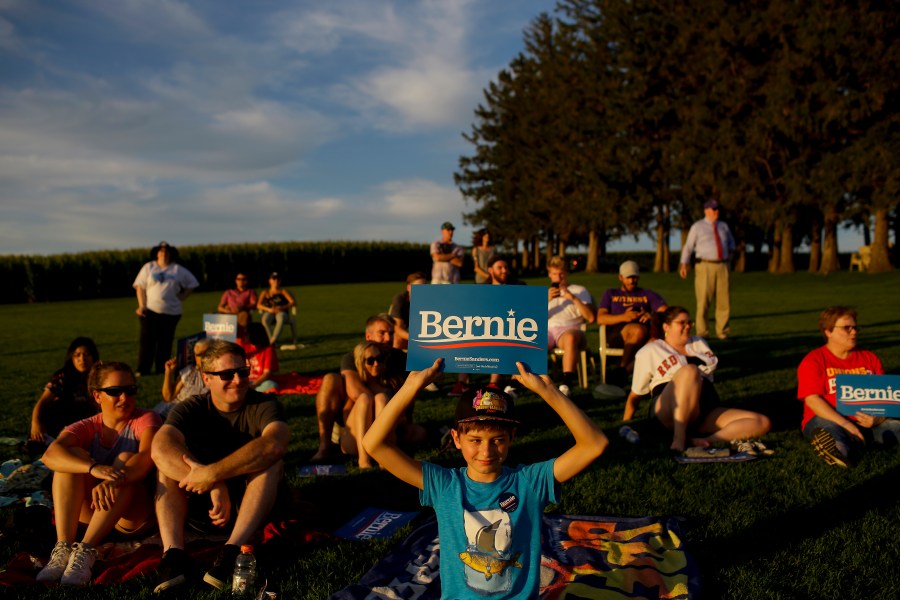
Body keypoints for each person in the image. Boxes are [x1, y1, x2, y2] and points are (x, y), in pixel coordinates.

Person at [363, 359, 608, 598]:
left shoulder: (530, 483)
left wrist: (549, 391)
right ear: (456, 439)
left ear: (512, 437)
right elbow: (374, 444)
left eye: (498, 440)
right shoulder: (444, 485)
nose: (486, 451)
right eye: (475, 440)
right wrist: (411, 386)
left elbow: (595, 444)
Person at [150, 339, 290, 593]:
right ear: (207, 379)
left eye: (243, 372)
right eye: (227, 374)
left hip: (249, 504)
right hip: (201, 502)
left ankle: (232, 551)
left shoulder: (264, 405)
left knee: (271, 463)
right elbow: (159, 447)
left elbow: (275, 443)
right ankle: (173, 555)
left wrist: (212, 473)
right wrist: (214, 484)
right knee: (166, 467)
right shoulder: (191, 408)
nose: (238, 380)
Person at [36, 361, 160, 587]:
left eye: (130, 390)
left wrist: (116, 477)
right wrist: (93, 469)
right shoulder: (86, 426)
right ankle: (63, 547)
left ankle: (85, 550)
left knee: (125, 460)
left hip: (130, 518)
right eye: (115, 391)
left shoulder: (145, 419)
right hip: (92, 513)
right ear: (97, 396)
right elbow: (49, 456)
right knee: (70, 458)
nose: (125, 397)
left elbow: (146, 457)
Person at [622, 306, 770, 452]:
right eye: (682, 323)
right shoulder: (650, 351)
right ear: (666, 327)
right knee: (690, 370)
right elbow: (635, 395)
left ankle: (705, 440)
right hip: (667, 410)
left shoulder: (699, 344)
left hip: (702, 409)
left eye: (689, 323)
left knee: (761, 422)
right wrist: (626, 422)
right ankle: (679, 439)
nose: (687, 326)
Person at [797, 306, 900, 468]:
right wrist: (846, 425)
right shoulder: (814, 360)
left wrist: (879, 418)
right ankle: (840, 452)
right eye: (847, 328)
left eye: (855, 327)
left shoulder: (869, 358)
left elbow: (885, 397)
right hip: (829, 418)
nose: (854, 332)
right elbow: (813, 400)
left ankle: (853, 444)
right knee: (827, 429)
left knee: (894, 427)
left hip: (868, 422)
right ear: (828, 331)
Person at [310, 314, 419, 463]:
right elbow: (357, 393)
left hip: (392, 421)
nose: (388, 338)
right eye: (382, 333)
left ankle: (385, 450)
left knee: (420, 434)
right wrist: (385, 389)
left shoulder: (400, 358)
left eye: (391, 333)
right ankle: (325, 446)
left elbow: (412, 397)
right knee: (331, 380)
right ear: (368, 336)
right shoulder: (354, 357)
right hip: (358, 419)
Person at [133, 241, 199, 376]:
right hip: (150, 310)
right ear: (157, 253)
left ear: (171, 254)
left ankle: (162, 368)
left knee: (165, 342)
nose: (164, 254)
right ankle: (143, 369)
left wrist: (182, 296)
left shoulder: (177, 270)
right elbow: (140, 287)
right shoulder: (149, 267)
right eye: (161, 251)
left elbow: (193, 283)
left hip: (172, 312)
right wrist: (142, 306)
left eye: (167, 252)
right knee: (147, 341)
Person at [596, 260, 668, 381]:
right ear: (620, 277)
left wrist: (651, 315)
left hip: (644, 334)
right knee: (637, 329)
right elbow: (600, 318)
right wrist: (624, 317)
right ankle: (622, 372)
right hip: (617, 333)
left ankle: (622, 372)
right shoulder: (611, 293)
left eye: (634, 277)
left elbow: (667, 311)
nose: (631, 281)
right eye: (628, 277)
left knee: (656, 343)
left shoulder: (646, 294)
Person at [679, 200, 735, 340]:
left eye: (717, 209)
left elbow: (731, 244)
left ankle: (722, 332)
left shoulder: (723, 226)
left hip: (722, 266)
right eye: (713, 209)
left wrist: (729, 259)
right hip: (705, 266)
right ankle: (702, 333)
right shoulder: (698, 227)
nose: (716, 212)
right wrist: (684, 264)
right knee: (703, 300)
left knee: (724, 301)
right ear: (706, 210)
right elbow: (688, 246)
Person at [30, 337, 100, 447]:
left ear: (93, 357)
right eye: (77, 355)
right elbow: (42, 402)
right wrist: (35, 423)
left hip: (91, 422)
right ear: (71, 357)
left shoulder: (100, 377)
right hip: (65, 420)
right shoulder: (63, 376)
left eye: (87, 354)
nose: (82, 359)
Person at [338, 341, 398, 469]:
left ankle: (383, 458)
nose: (376, 364)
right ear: (361, 363)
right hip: (354, 440)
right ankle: (364, 459)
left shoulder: (388, 383)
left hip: (385, 439)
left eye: (379, 359)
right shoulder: (357, 386)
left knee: (381, 398)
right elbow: (346, 420)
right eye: (370, 361)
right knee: (365, 398)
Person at [547, 255, 596, 396]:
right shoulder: (546, 293)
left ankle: (566, 383)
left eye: (562, 273)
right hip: (548, 330)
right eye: (555, 274)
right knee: (528, 339)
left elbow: (591, 318)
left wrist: (573, 298)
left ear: (566, 273)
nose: (559, 277)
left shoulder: (579, 290)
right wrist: (547, 299)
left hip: (571, 329)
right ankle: (515, 384)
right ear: (550, 274)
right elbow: (532, 320)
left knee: (570, 338)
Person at [156, 339, 210, 418]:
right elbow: (168, 397)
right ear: (195, 357)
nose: (202, 357)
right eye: (199, 354)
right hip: (168, 412)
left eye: (206, 353)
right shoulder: (189, 371)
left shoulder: (219, 375)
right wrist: (168, 373)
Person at [257, 272, 297, 348]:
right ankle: (270, 340)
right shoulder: (265, 292)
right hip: (270, 311)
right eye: (274, 278)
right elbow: (258, 305)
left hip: (282, 312)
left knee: (280, 317)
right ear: (270, 281)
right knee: (265, 319)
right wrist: (269, 309)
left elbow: (292, 302)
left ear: (280, 281)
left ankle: (273, 340)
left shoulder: (283, 291)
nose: (276, 280)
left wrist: (282, 307)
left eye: (278, 279)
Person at [389, 272, 428, 351]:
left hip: (421, 334)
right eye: (418, 287)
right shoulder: (400, 299)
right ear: (408, 288)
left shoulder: (429, 300)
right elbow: (398, 329)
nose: (422, 290)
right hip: (407, 334)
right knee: (397, 339)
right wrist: (415, 340)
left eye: (425, 287)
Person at [237, 323, 279, 392]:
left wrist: (254, 385)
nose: (244, 336)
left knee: (271, 385)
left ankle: (248, 392)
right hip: (244, 380)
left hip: (259, 381)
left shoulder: (268, 349)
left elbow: (267, 373)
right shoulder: (242, 345)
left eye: (246, 334)